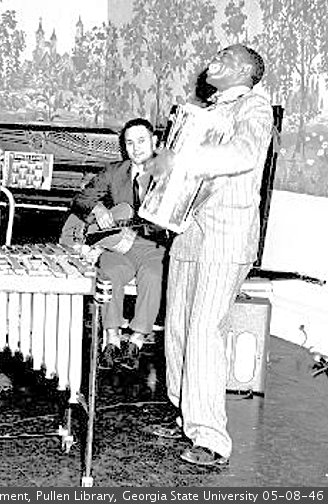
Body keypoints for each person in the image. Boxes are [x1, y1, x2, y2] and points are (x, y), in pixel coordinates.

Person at [144, 44, 274, 467]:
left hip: (226, 235)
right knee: (178, 325)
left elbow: (243, 155)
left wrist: (180, 158)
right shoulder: (206, 109)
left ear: (245, 71)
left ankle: (211, 438)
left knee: (204, 330)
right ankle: (184, 413)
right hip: (190, 229)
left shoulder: (255, 107)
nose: (214, 59)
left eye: (226, 57)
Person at [67, 118, 168, 371]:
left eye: (142, 141)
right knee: (109, 273)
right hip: (119, 246)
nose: (136, 148)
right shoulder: (114, 171)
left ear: (154, 141)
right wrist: (98, 209)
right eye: (130, 142)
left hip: (152, 247)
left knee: (153, 276)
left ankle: (136, 341)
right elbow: (81, 200)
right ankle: (111, 340)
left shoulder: (167, 173)